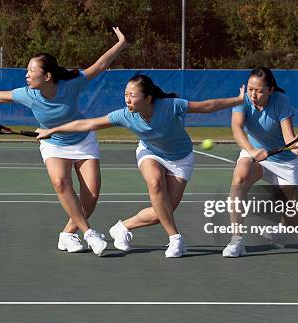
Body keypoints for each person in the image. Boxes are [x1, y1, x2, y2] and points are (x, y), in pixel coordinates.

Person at [0, 27, 128, 256]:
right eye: (27, 70)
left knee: (90, 196)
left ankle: (68, 234)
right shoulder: (27, 94)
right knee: (61, 182)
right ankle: (89, 233)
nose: (27, 75)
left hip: (83, 140)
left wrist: (121, 43)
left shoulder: (71, 84)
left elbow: (100, 66)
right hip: (53, 142)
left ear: (48, 76)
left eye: (32, 70)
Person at [35, 74, 245, 258]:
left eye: (132, 95)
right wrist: (53, 130)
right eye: (125, 94)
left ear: (148, 98)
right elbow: (88, 124)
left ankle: (122, 227)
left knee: (165, 210)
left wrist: (237, 100)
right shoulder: (125, 115)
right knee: (155, 183)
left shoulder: (171, 105)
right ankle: (175, 239)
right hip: (150, 153)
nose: (127, 99)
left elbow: (207, 106)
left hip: (181, 159)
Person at [222, 67, 298, 258]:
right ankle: (237, 240)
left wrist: (295, 145)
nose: (253, 94)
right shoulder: (242, 101)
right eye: (250, 89)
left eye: (258, 90)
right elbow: (237, 129)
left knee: (293, 214)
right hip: (254, 155)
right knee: (239, 177)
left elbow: (288, 136)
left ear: (270, 89)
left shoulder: (281, 101)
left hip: (283, 161)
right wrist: (252, 151)